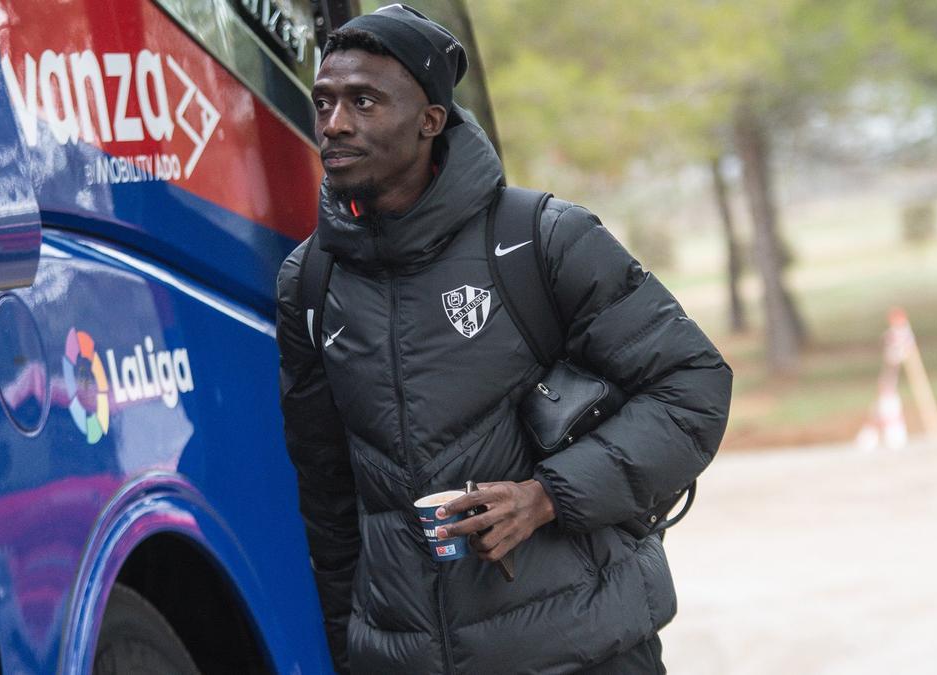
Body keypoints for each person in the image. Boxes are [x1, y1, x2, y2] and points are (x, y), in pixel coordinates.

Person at [276, 5, 732, 673]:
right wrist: (354, 652)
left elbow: (694, 387)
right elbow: (328, 496)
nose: (334, 123)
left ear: (431, 120)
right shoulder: (309, 280)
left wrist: (546, 495)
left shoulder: (539, 238)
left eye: (364, 101)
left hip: (584, 650)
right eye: (324, 101)